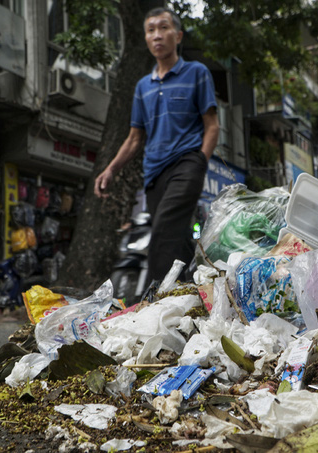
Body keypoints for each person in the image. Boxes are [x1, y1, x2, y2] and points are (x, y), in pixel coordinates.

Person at [94, 6, 219, 290]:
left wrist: (200, 160)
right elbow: (135, 138)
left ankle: (154, 298)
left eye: (163, 28)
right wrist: (110, 170)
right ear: (146, 38)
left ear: (178, 35)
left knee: (162, 231)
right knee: (178, 238)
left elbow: (212, 125)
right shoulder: (143, 87)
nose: (157, 35)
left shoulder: (196, 73)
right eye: (150, 30)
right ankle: (194, 295)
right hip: (154, 175)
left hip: (187, 163)